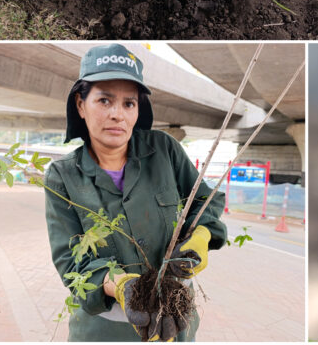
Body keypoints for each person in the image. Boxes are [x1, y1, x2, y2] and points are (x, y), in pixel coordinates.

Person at [45, 44, 226, 341]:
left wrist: (203, 235)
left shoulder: (164, 150)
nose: (118, 114)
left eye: (129, 103)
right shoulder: (63, 176)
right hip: (105, 330)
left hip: (174, 319)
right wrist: (117, 284)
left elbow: (205, 200)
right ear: (80, 104)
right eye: (104, 100)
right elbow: (69, 264)